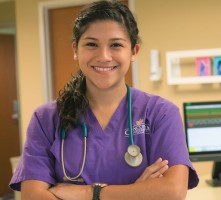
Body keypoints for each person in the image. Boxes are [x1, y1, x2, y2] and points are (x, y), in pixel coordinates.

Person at [9, 0, 199, 199]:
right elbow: (33, 197)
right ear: (75, 50)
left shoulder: (160, 113)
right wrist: (137, 192)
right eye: (91, 44)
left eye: (116, 45)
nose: (104, 56)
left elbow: (173, 191)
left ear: (133, 52)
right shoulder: (46, 119)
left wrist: (90, 192)